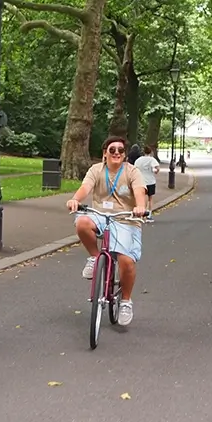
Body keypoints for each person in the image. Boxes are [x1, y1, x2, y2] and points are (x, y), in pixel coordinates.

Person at [66, 137, 148, 326]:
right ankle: (95, 257)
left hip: (126, 218)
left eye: (120, 150)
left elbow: (139, 192)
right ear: (105, 153)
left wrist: (141, 208)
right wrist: (75, 200)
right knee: (82, 223)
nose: (117, 153)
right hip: (100, 215)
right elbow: (85, 187)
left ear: (125, 154)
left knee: (126, 261)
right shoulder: (96, 170)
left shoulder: (132, 171)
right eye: (112, 150)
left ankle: (126, 301)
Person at [133, 145, 161, 210]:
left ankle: (143, 212)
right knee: (150, 198)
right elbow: (157, 168)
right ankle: (149, 214)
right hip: (150, 181)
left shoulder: (138, 160)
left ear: (143, 152)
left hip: (140, 181)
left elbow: (135, 169)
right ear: (150, 152)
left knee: (143, 197)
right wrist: (155, 171)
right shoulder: (152, 159)